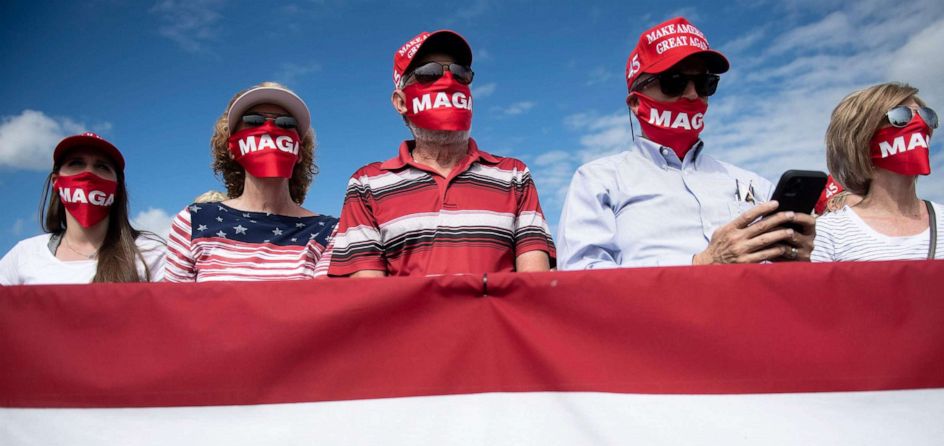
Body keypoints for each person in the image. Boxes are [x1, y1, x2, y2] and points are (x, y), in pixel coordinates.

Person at [556, 17, 815, 269]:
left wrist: (797, 262)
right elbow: (582, 279)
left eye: (705, 83)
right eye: (674, 82)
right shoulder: (598, 181)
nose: (692, 94)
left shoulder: (756, 185)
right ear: (635, 102)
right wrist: (700, 264)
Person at [325, 30, 555, 277]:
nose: (448, 81)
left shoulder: (514, 175)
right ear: (401, 102)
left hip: (495, 317)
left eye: (460, 72)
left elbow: (534, 286)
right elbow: (369, 296)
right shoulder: (366, 184)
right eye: (429, 73)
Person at [165, 82, 336, 281]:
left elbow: (322, 305)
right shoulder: (193, 221)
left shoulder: (329, 231)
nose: (270, 129)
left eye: (286, 123)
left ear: (300, 150)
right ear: (230, 146)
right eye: (253, 121)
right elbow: (174, 307)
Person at [813, 82, 944, 261]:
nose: (920, 124)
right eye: (901, 116)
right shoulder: (827, 233)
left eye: (926, 116)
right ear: (861, 136)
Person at [0, 133, 165, 285]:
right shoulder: (24, 255)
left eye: (102, 166)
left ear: (117, 187)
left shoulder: (151, 253)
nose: (88, 173)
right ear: (56, 181)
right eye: (76, 163)